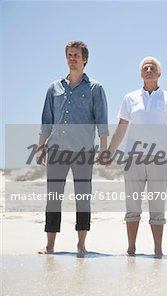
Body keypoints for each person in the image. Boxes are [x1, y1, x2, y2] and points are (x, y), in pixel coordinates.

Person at [106, 56, 167, 257]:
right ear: (141, 73)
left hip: (158, 158)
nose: (148, 69)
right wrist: (109, 151)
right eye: (145, 67)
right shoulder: (130, 98)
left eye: (152, 67)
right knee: (132, 204)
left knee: (157, 205)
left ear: (159, 74)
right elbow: (121, 128)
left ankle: (158, 250)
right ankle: (131, 248)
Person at [36, 41, 109, 256]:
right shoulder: (54, 88)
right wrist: (40, 147)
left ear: (84, 59)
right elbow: (46, 121)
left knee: (83, 197)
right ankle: (50, 245)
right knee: (53, 197)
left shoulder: (95, 88)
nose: (72, 58)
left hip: (83, 151)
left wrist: (104, 149)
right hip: (56, 150)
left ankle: (81, 244)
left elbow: (101, 121)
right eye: (69, 55)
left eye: (76, 55)